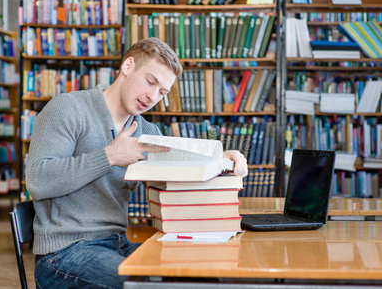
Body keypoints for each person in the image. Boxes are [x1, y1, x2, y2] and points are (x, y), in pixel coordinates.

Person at [27, 37, 248, 289]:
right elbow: (38, 181)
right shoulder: (68, 108)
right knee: (152, 287)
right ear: (128, 66)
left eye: (162, 92)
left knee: (201, 279)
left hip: (118, 244)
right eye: (150, 82)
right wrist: (110, 155)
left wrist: (221, 161)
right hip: (63, 253)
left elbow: (181, 169)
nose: (152, 96)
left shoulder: (146, 130)